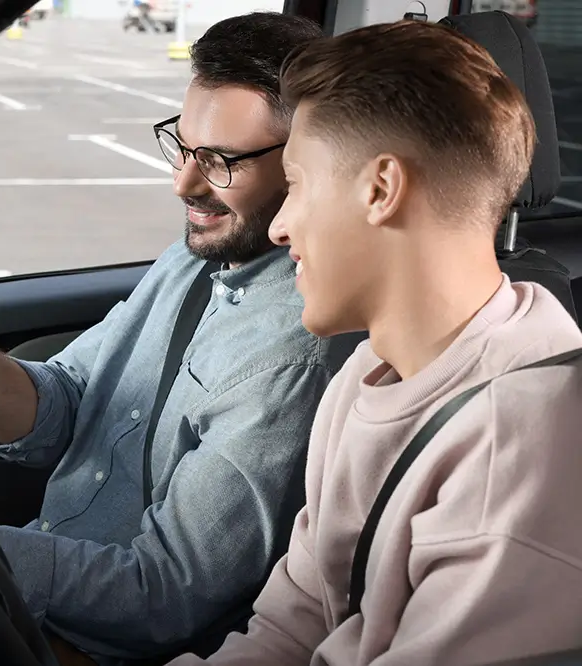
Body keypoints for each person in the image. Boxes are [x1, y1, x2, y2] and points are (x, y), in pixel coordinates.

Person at [0, 12, 365, 665]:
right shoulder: (195, 260)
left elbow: (164, 595)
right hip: (32, 601)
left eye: (220, 162)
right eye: (183, 146)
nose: (183, 182)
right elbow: (70, 401)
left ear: (305, 162)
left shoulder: (291, 353)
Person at [165, 19, 582, 666]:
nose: (280, 226)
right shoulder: (370, 371)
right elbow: (291, 626)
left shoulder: (518, 455)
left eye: (298, 184)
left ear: (381, 189)